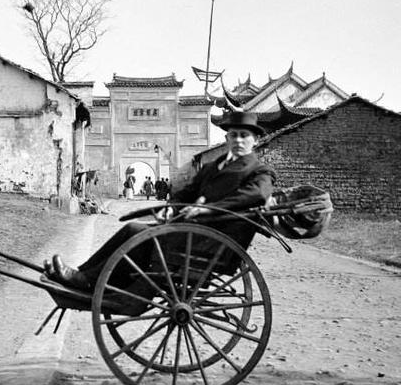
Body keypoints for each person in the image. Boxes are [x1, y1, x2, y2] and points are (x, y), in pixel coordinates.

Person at [44, 111, 276, 290]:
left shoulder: (259, 170)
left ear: (255, 139)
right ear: (226, 137)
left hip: (211, 238)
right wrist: (170, 207)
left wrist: (207, 209)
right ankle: (82, 275)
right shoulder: (213, 165)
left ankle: (87, 280)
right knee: (132, 230)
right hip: (190, 228)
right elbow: (186, 192)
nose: (238, 140)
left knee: (136, 231)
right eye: (234, 135)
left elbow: (256, 194)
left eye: (244, 135)